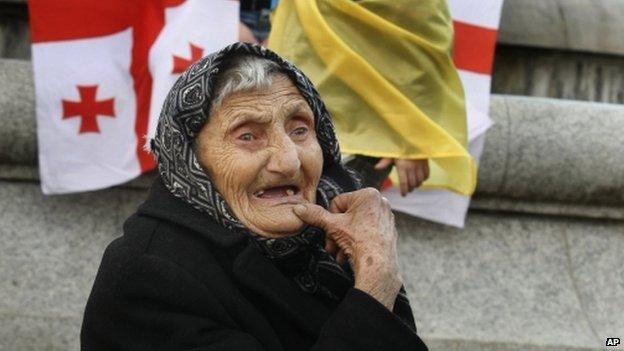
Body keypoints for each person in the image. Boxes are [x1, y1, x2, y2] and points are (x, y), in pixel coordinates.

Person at [80, 43, 428, 350]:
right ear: (192, 160)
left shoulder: (333, 241)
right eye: (248, 136)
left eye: (300, 129)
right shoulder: (147, 275)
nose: (289, 160)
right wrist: (375, 284)